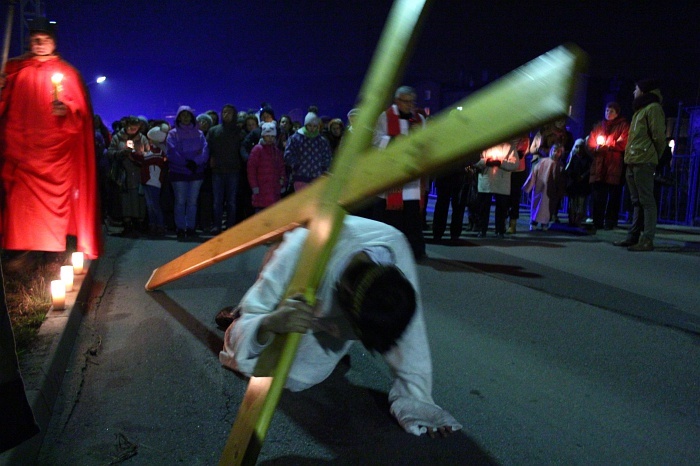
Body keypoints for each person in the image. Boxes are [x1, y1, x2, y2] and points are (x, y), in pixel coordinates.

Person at [218, 215, 462, 437]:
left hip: (334, 309)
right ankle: (237, 314)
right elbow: (237, 348)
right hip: (284, 287)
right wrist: (267, 325)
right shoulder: (297, 254)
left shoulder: (392, 245)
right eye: (353, 334)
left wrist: (418, 400)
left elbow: (408, 334)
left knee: (317, 366)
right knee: (291, 374)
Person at [0, 17, 102, 260]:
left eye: (44, 40)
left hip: (55, 156)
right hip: (20, 152)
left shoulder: (67, 73)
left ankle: (50, 253)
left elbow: (80, 115)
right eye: (35, 39)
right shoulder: (13, 70)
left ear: (53, 42)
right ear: (28, 41)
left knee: (52, 209)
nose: (39, 44)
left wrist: (65, 110)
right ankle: (18, 249)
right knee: (19, 205)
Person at [372, 86, 427, 259]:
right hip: (392, 177)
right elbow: (376, 140)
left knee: (412, 218)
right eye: (406, 101)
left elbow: (425, 141)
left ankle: (414, 252)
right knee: (392, 218)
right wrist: (396, 140)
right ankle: (391, 252)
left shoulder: (419, 119)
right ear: (397, 101)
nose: (410, 105)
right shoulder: (385, 117)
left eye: (412, 101)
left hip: (411, 178)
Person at [614, 79, 666, 252]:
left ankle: (647, 239)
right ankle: (633, 236)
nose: (633, 92)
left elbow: (659, 136)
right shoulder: (640, 109)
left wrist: (653, 156)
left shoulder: (653, 108)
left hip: (643, 160)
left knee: (646, 200)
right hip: (633, 159)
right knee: (636, 201)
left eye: (636, 89)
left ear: (643, 91)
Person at [166, 105, 209, 241]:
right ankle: (180, 227)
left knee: (192, 201)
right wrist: (186, 163)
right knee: (180, 201)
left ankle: (190, 227)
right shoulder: (173, 134)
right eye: (182, 115)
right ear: (178, 117)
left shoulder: (199, 133)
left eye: (187, 115)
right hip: (179, 172)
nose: (185, 118)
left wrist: (195, 162)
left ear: (192, 117)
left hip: (196, 172)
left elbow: (205, 150)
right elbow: (172, 152)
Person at [585, 102, 629, 230]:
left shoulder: (623, 126)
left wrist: (608, 144)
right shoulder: (599, 126)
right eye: (607, 111)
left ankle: (610, 221)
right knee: (599, 195)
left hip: (614, 165)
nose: (608, 113)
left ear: (617, 113)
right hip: (599, 164)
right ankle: (597, 220)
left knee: (613, 196)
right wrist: (597, 149)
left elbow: (623, 142)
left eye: (611, 111)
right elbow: (591, 143)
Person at [107, 115, 149, 238]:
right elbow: (109, 152)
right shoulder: (117, 138)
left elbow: (148, 152)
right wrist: (121, 153)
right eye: (131, 127)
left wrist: (139, 155)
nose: (133, 130)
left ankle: (138, 223)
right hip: (123, 173)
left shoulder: (142, 138)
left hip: (138, 172)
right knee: (125, 199)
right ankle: (127, 223)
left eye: (135, 127)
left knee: (138, 198)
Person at [207, 104, 244, 234]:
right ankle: (217, 225)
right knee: (217, 201)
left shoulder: (239, 131)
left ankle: (230, 226)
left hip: (233, 170)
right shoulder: (214, 131)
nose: (226, 115)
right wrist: (211, 158)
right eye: (224, 112)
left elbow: (242, 149)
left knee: (231, 201)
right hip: (217, 170)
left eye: (229, 112)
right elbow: (208, 148)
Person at [474, 142, 519, 238]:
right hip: (487, 179)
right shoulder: (484, 144)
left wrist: (501, 163)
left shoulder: (508, 147)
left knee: (502, 208)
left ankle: (500, 230)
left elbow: (515, 164)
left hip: (501, 180)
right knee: (483, 207)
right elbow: (475, 161)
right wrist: (485, 162)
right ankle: (482, 229)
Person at [284, 112, 333, 192]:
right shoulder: (296, 138)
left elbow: (327, 156)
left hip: (317, 178)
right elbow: (288, 154)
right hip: (300, 177)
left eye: (315, 126)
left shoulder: (322, 141)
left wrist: (323, 168)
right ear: (305, 125)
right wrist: (296, 165)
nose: (312, 128)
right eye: (310, 125)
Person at [523, 143, 566, 230]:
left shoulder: (560, 165)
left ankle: (544, 223)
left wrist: (560, 191)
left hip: (551, 191)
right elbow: (534, 173)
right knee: (537, 204)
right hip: (540, 188)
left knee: (548, 207)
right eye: (554, 151)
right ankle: (534, 222)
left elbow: (561, 180)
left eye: (558, 152)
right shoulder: (543, 162)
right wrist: (529, 185)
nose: (556, 153)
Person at [247, 122, 286, 212]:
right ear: (263, 136)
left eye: (272, 136)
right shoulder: (257, 149)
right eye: (268, 136)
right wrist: (254, 186)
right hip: (261, 190)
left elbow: (281, 168)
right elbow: (251, 169)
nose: (270, 138)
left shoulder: (276, 151)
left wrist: (283, 181)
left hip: (274, 190)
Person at [564, 138, 592, 227]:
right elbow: (568, 169)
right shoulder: (572, 157)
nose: (579, 149)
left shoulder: (588, 159)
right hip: (573, 184)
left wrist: (582, 176)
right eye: (577, 147)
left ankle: (578, 221)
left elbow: (589, 170)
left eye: (581, 147)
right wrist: (574, 176)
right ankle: (571, 220)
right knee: (572, 204)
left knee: (581, 204)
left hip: (583, 185)